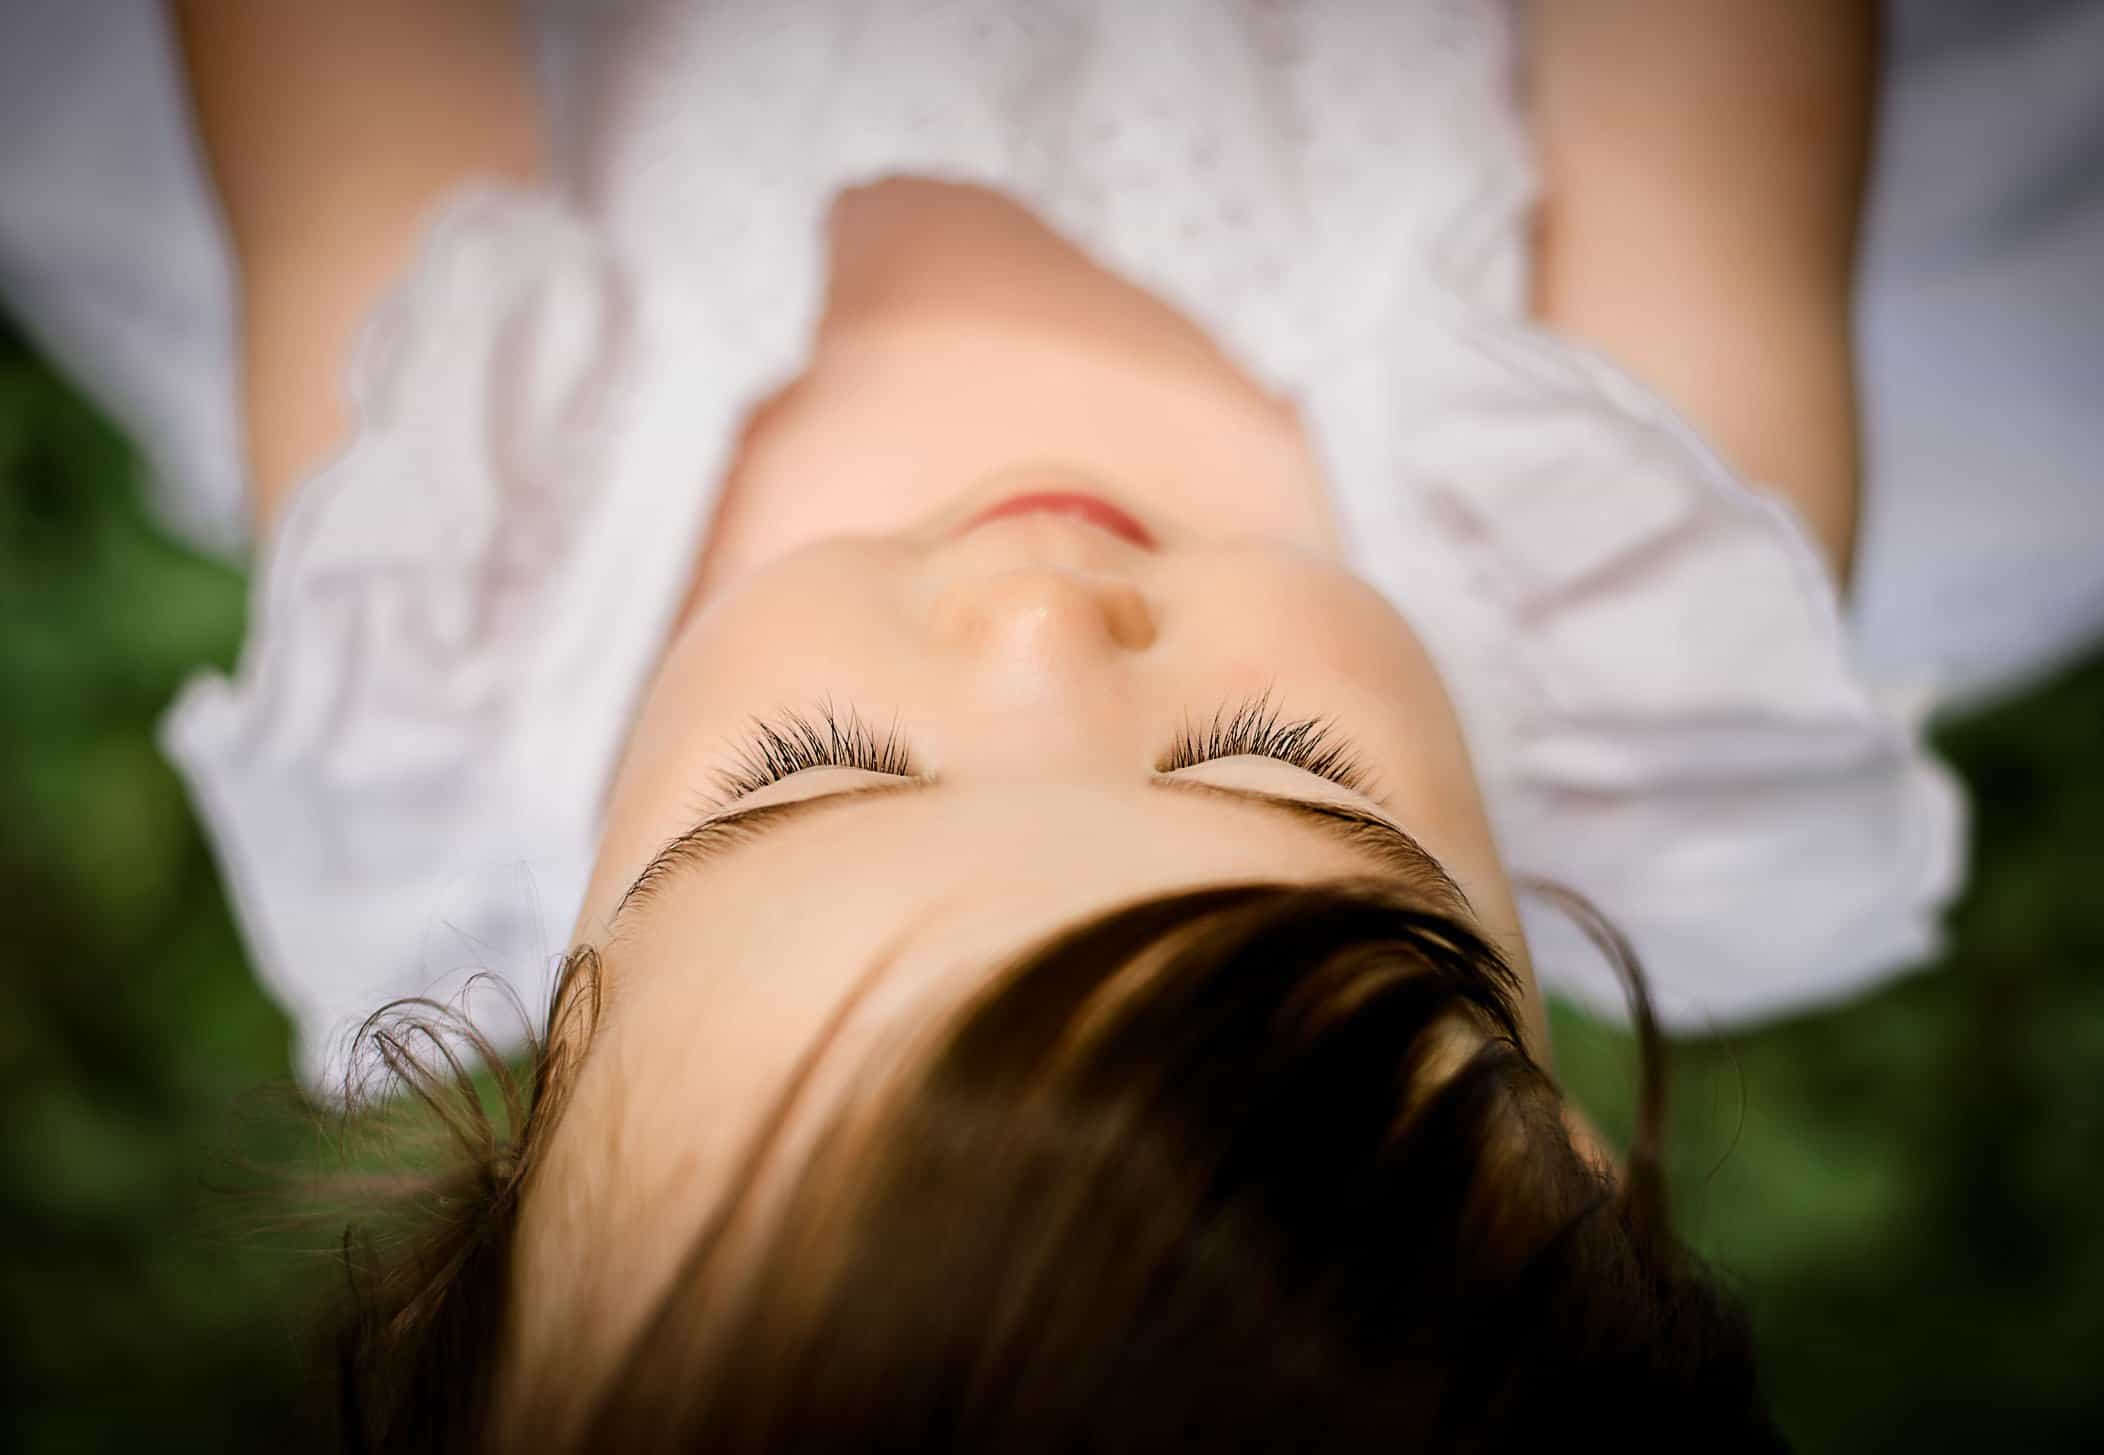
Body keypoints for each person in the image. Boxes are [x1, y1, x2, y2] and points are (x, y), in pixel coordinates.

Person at [124, 0, 1964, 1446]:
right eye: (1269, 762)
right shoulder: (1630, 574)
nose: (1033, 621)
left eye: (814, 772)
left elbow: (344, 93)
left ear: (529, 1120)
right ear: (1568, 1140)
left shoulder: (460, 584)